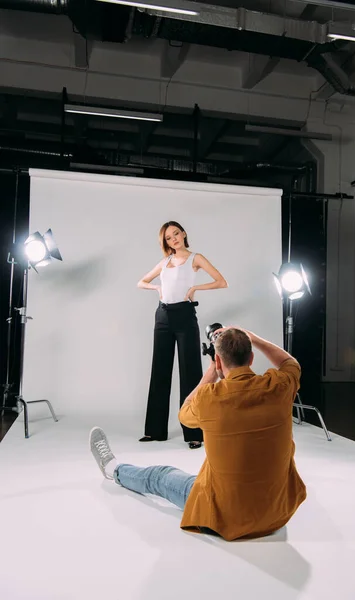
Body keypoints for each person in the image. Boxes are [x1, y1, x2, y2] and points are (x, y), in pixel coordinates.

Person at [90, 327, 307, 541]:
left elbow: (184, 414)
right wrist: (252, 337)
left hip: (225, 517)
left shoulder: (209, 398)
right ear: (251, 358)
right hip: (277, 514)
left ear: (220, 361)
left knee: (160, 476)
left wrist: (212, 370)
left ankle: (113, 469)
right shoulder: (279, 386)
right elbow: (290, 363)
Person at [137, 221, 227, 449]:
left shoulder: (196, 258)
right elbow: (141, 282)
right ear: (165, 242)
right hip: (163, 317)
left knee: (191, 373)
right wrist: (157, 288)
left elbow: (221, 281)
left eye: (176, 233)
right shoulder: (165, 262)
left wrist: (196, 289)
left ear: (184, 233)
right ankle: (155, 431)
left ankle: (194, 433)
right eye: (168, 237)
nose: (174, 239)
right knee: (160, 371)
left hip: (185, 316)